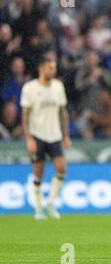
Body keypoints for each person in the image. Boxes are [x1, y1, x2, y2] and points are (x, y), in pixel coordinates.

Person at [20, 52, 71, 220]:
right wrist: (28, 138)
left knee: (62, 169)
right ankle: (38, 208)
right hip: (37, 136)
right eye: (50, 68)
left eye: (54, 68)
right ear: (42, 69)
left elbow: (63, 112)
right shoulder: (30, 88)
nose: (53, 71)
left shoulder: (58, 86)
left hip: (55, 135)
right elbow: (25, 115)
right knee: (38, 174)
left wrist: (66, 135)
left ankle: (50, 203)